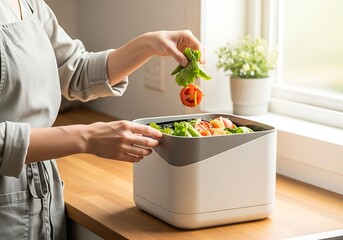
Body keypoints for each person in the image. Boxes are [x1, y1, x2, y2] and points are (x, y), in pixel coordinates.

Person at [0, 0, 207, 239]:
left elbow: (75, 69)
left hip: (43, 199)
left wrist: (149, 44)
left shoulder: (29, 3)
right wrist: (86, 137)